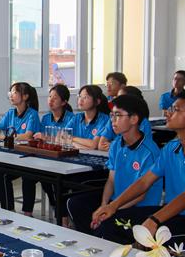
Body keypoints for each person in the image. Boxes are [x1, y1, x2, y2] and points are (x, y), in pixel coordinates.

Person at [91, 91, 185, 249]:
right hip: (174, 213)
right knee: (111, 224)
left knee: (154, 238)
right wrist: (113, 205)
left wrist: (154, 220)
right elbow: (145, 181)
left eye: (175, 109)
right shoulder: (171, 148)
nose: (168, 112)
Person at [69, 95, 162, 233]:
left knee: (108, 225)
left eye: (118, 115)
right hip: (116, 201)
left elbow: (142, 194)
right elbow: (111, 181)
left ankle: (101, 238)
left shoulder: (150, 151)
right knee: (75, 204)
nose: (113, 121)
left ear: (134, 119)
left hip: (139, 206)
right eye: (111, 115)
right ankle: (93, 239)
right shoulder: (116, 144)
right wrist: (104, 205)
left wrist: (112, 208)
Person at [0, 82, 41, 211]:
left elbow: (27, 136)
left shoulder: (32, 114)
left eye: (15, 93)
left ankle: (8, 209)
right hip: (10, 156)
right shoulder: (10, 113)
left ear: (25, 96)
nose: (11, 95)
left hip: (26, 158)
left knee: (3, 174)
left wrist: (3, 137)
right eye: (10, 93)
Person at [27, 84, 75, 213]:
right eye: (49, 97)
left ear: (64, 102)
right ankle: (54, 207)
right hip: (48, 159)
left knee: (54, 179)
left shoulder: (72, 118)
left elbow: (65, 139)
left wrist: (46, 136)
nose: (50, 100)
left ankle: (61, 211)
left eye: (55, 98)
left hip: (66, 160)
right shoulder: (46, 117)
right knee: (34, 175)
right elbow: (41, 138)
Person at [95, 85, 151, 151]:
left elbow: (139, 147)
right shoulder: (112, 119)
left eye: (121, 98)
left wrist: (113, 145)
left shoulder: (143, 123)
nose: (117, 100)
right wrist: (116, 146)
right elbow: (101, 145)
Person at [70, 85, 110, 150]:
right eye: (80, 96)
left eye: (85, 97)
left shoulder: (104, 119)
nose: (80, 100)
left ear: (97, 101)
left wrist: (72, 138)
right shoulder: (76, 117)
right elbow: (60, 137)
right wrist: (75, 144)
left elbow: (94, 145)